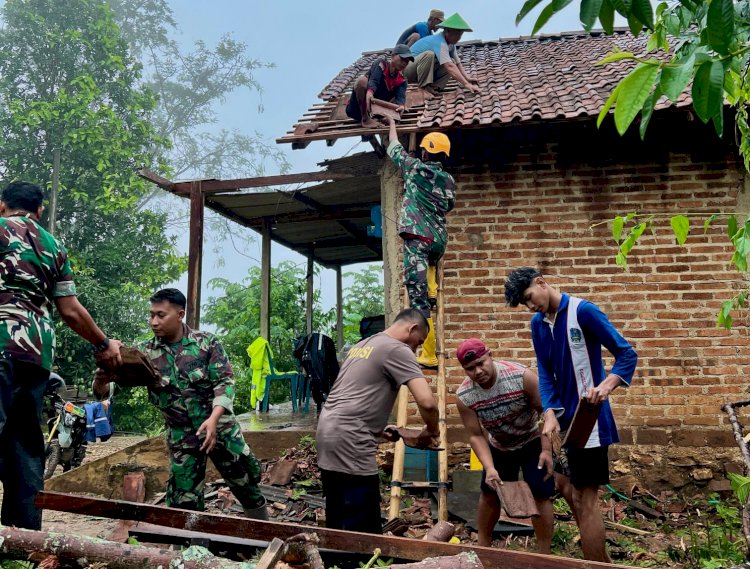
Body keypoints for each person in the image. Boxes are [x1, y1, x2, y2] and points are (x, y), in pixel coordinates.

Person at [0, 180, 122, 530]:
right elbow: (70, 310)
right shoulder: (54, 246)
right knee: (24, 448)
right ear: (39, 211)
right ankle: (21, 542)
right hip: (35, 358)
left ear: (2, 205)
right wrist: (103, 343)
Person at [504, 267, 638, 562]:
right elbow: (545, 374)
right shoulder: (538, 325)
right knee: (569, 492)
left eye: (529, 298)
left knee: (585, 500)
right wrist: (549, 412)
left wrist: (606, 385)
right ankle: (600, 561)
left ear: (541, 283)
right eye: (524, 305)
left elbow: (627, 354)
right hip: (562, 425)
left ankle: (598, 565)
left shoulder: (583, 311)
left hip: (589, 422)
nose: (530, 307)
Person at [138, 288, 267, 519]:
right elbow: (115, 383)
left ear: (179, 314)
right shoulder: (146, 353)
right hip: (182, 436)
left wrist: (214, 419)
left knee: (245, 484)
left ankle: (264, 536)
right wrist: (102, 379)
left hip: (220, 429)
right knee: (183, 498)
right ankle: (190, 550)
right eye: (151, 315)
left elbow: (225, 382)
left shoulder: (207, 344)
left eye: (160, 315)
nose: (153, 322)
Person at [316, 308, 440, 534]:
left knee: (338, 517)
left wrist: (377, 429)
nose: (416, 348)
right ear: (411, 329)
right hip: (351, 439)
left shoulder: (363, 345)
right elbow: (428, 403)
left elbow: (349, 395)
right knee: (363, 527)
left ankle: (335, 561)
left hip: (328, 431)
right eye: (418, 342)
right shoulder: (398, 349)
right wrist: (430, 431)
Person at [454, 338, 556, 552]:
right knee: (490, 493)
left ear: (490, 355)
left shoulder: (521, 377)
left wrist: (547, 450)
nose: (478, 371)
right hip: (499, 445)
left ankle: (544, 552)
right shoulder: (465, 396)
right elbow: (475, 435)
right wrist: (490, 468)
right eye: (470, 368)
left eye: (481, 363)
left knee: (540, 493)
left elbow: (546, 414)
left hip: (532, 439)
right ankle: (483, 547)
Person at [385, 115, 455, 367]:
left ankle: (427, 353)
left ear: (425, 153)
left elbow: (393, 146)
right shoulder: (449, 180)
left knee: (417, 299)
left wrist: (392, 123)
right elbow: (448, 206)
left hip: (419, 240)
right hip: (438, 242)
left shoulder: (414, 167)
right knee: (428, 275)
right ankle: (432, 290)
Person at [405, 12, 479, 96]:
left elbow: (457, 64)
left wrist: (467, 78)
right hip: (407, 69)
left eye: (460, 34)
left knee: (452, 61)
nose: (458, 37)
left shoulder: (451, 44)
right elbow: (449, 66)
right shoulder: (439, 42)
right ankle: (424, 88)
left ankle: (434, 87)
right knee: (429, 55)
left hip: (420, 71)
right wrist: (466, 84)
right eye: (457, 34)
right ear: (447, 31)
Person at [346, 44, 413, 128]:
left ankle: (381, 118)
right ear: (393, 56)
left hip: (377, 112)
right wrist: (370, 92)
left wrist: (401, 106)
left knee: (401, 105)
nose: (404, 63)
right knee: (361, 81)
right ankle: (365, 119)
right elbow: (374, 80)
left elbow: (400, 97)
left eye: (407, 61)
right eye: (402, 59)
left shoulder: (402, 80)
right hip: (357, 109)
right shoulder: (381, 64)